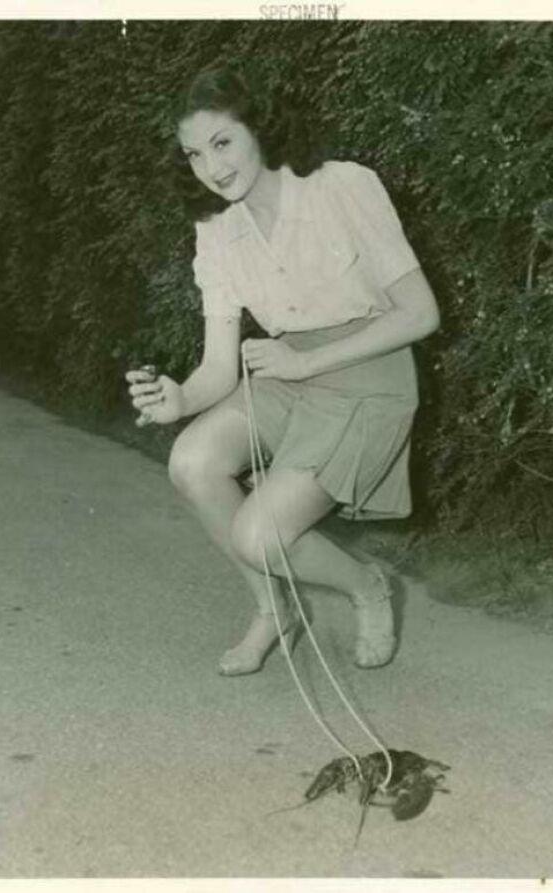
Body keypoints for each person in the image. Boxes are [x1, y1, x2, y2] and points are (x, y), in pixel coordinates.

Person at [126, 66, 440, 676]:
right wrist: (180, 400)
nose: (212, 168)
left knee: (262, 536)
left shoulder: (341, 187)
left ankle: (367, 586)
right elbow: (219, 367)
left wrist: (306, 362)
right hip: (288, 373)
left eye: (223, 142)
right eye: (194, 154)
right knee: (191, 461)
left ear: (258, 128)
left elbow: (421, 314)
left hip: (367, 376)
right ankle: (275, 608)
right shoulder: (215, 229)